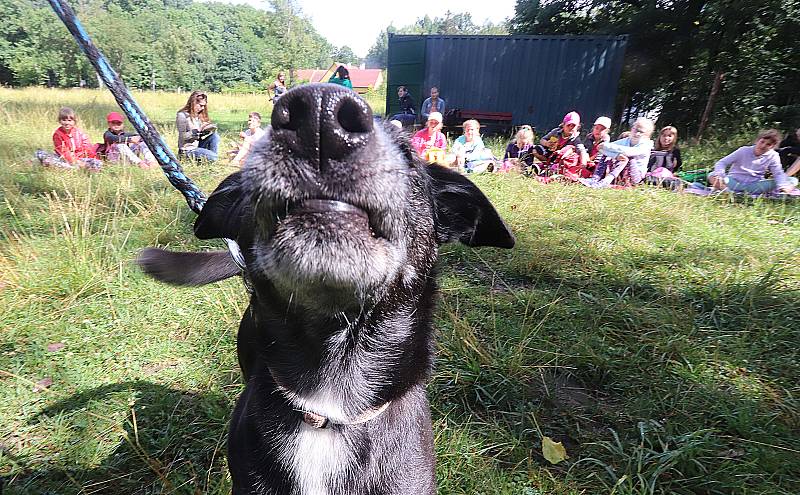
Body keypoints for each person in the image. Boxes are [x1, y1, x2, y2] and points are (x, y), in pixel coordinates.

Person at [707, 129, 797, 194]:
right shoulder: (743, 150)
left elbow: (778, 174)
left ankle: (783, 193)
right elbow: (722, 162)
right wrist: (720, 174)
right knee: (711, 175)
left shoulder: (773, 156)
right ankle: (727, 192)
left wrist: (783, 186)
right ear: (757, 141)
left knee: (792, 180)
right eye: (762, 142)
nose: (763, 146)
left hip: (755, 186)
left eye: (768, 144)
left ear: (773, 146)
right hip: (734, 182)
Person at [582, 117, 655, 187]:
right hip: (622, 173)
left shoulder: (646, 144)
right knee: (607, 155)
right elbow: (601, 148)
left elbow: (629, 152)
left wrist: (609, 148)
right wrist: (615, 155)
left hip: (635, 177)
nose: (637, 134)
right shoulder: (626, 140)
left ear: (646, 135)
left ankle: (606, 181)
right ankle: (595, 178)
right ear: (632, 129)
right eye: (636, 130)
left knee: (628, 158)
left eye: (641, 132)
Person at [34, 107, 102, 171]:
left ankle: (81, 168)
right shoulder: (57, 134)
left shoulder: (79, 132)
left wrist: (92, 158)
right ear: (60, 121)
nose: (67, 123)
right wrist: (76, 162)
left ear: (74, 122)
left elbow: (87, 146)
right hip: (64, 159)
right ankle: (71, 168)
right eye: (64, 120)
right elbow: (63, 152)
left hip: (80, 158)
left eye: (69, 120)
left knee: (97, 163)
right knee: (52, 160)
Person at [532, 111, 588, 175]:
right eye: (568, 125)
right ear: (563, 125)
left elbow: (581, 150)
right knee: (536, 150)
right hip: (550, 154)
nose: (570, 128)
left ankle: (549, 168)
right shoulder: (556, 132)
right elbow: (542, 140)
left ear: (578, 127)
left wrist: (583, 163)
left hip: (561, 159)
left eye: (573, 126)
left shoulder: (575, 138)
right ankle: (547, 165)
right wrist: (547, 143)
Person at [176, 90, 219, 162]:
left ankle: (211, 157)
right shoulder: (182, 115)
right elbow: (183, 136)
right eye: (201, 105)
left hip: (197, 146)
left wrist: (206, 130)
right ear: (193, 103)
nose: (202, 108)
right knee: (213, 157)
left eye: (204, 106)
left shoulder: (199, 115)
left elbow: (200, 136)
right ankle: (211, 157)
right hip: (187, 150)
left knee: (215, 136)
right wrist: (195, 132)